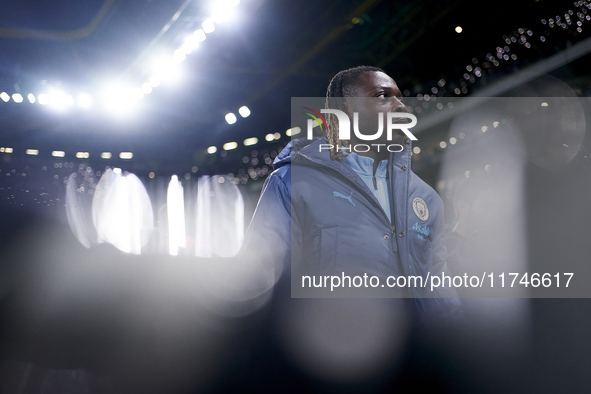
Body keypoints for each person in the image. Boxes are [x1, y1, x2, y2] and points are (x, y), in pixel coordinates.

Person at [243, 66, 460, 318]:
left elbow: (441, 289)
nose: (401, 106)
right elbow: (261, 284)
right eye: (382, 96)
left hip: (421, 355)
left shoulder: (426, 198)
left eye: (399, 96)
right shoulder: (290, 183)